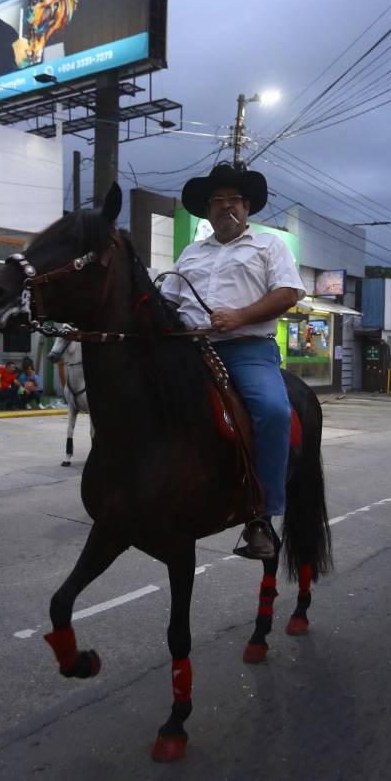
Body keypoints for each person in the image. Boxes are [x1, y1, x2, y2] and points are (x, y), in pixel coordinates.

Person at [161, 162, 306, 560]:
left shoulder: (268, 246)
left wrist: (240, 316)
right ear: (207, 210)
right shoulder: (190, 252)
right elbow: (167, 302)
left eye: (233, 201)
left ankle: (261, 514)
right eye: (217, 201)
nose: (226, 207)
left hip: (247, 350)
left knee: (274, 411)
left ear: (246, 208)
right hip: (190, 350)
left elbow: (289, 293)